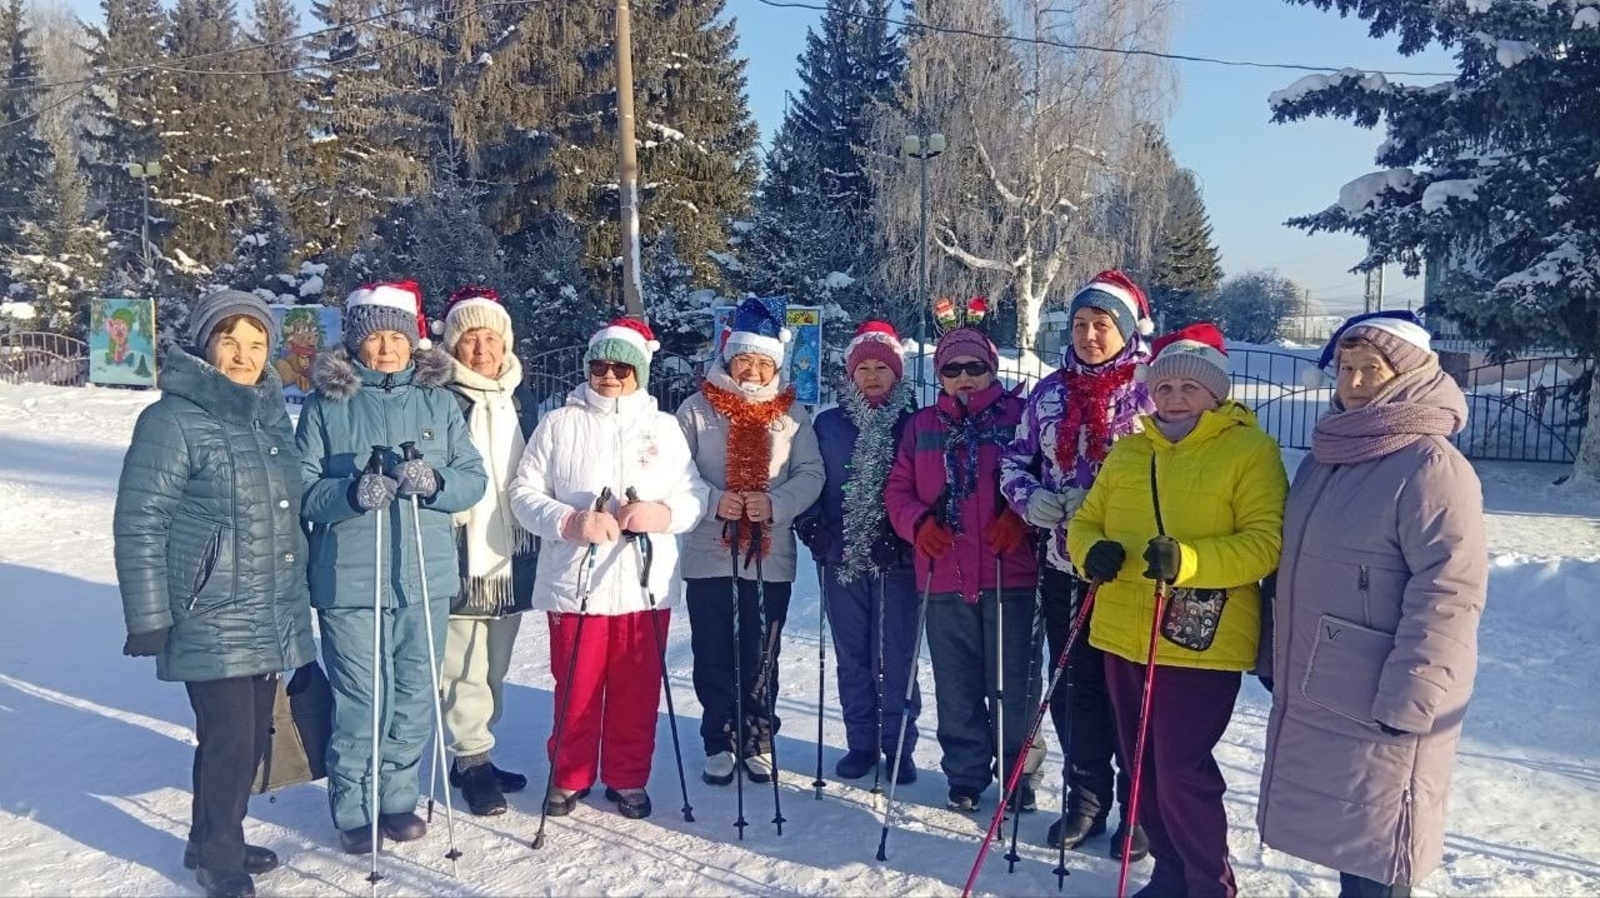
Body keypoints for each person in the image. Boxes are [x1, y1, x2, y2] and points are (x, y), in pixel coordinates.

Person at [1257, 312, 1487, 898]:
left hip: (1383, 687)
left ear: (1407, 375)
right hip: (1320, 678)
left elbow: (1451, 592)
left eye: (1371, 371)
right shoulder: (1328, 455)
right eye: (1346, 369)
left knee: (1380, 843)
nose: (1355, 383)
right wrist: (1270, 648)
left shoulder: (1431, 467)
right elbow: (1292, 564)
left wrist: (1417, 693)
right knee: (1346, 833)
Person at [1066, 323, 1286, 898]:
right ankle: (1167, 875)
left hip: (1201, 637)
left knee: (1183, 767)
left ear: (1217, 394)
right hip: (1122, 628)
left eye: (1191, 387)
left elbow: (1265, 542)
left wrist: (1190, 559)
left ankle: (1209, 883)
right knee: (1143, 767)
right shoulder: (1130, 451)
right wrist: (1092, 549)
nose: (1175, 398)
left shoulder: (1250, 451)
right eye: (1164, 388)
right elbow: (1086, 521)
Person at [113, 289, 315, 898]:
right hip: (208, 608)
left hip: (265, 605)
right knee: (230, 736)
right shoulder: (171, 420)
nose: (243, 355)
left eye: (256, 344)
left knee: (250, 735)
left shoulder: (269, 417)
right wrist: (149, 615)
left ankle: (211, 836)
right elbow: (140, 518)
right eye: (230, 340)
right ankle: (219, 858)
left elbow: (287, 508)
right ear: (207, 344)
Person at [296, 281, 487, 853]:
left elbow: (472, 479)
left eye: (395, 337)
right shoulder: (326, 403)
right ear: (355, 343)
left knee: (411, 692)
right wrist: (351, 494)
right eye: (373, 337)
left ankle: (397, 797)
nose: (385, 349)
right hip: (349, 578)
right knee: (362, 696)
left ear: (413, 340)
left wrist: (438, 485)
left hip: (422, 574)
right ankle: (355, 805)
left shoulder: (439, 401)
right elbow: (302, 488)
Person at [509, 318, 708, 819]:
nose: (610, 376)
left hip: (644, 586)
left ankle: (627, 776)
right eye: (600, 366)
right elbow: (523, 494)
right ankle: (569, 775)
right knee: (575, 687)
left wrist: (662, 515)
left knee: (636, 692)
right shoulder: (559, 424)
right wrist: (569, 520)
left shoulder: (662, 428)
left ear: (639, 370)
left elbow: (694, 494)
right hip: (577, 583)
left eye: (622, 367)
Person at [1001, 270, 1155, 857]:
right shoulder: (1049, 394)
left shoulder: (1148, 392)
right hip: (1064, 566)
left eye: (1102, 325)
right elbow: (1015, 462)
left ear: (1125, 330)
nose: (1090, 336)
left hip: (1130, 571)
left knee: (1129, 693)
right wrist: (1031, 499)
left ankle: (1138, 809)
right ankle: (1086, 798)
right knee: (1074, 691)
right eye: (1082, 325)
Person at [884, 304, 1040, 813]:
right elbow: (898, 489)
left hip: (1007, 573)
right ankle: (966, 774)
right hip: (944, 576)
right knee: (956, 683)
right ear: (940, 377)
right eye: (952, 370)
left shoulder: (1020, 417)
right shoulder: (923, 425)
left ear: (992, 369)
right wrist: (918, 524)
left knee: (1013, 684)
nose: (965, 378)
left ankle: (1020, 774)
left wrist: (1022, 516)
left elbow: (1042, 474)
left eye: (975, 367)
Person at [676, 295, 824, 786]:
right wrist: (715, 498)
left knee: (761, 652)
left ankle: (758, 736)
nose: (754, 371)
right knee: (714, 650)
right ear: (728, 358)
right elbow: (677, 473)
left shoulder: (793, 414)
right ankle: (719, 738)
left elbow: (811, 472)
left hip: (769, 554)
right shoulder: (696, 410)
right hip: (709, 551)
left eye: (764, 362)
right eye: (745, 360)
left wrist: (776, 504)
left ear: (775, 364)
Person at [795, 321, 922, 784]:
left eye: (881, 368)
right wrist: (811, 525)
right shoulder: (829, 424)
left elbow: (924, 485)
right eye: (863, 368)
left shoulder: (914, 421)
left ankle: (898, 746)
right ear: (850, 374)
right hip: (841, 558)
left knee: (894, 655)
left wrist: (901, 533)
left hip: (898, 561)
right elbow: (809, 478)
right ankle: (862, 743)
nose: (872, 376)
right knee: (853, 655)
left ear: (897, 374)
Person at [434, 287, 540, 817]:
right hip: (461, 547)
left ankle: (475, 750)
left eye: (490, 338)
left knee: (495, 662)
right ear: (453, 345)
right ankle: (471, 759)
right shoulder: (441, 396)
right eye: (469, 338)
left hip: (511, 549)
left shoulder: (521, 398)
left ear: (506, 343)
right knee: (463, 663)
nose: (481, 349)